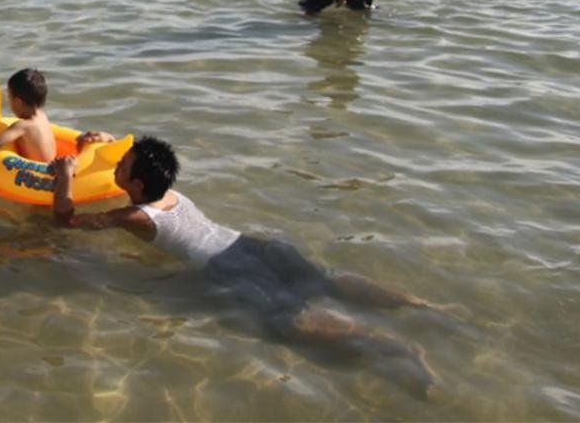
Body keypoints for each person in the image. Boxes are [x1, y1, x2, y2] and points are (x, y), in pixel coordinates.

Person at [50, 133, 438, 395]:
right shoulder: (169, 192)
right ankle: (420, 305)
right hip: (253, 245)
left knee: (287, 323)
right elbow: (143, 157)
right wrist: (97, 140)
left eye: (121, 165)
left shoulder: (132, 215)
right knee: (325, 282)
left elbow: (65, 221)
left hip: (229, 268)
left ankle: (398, 347)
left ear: (135, 187)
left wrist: (65, 177)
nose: (115, 166)